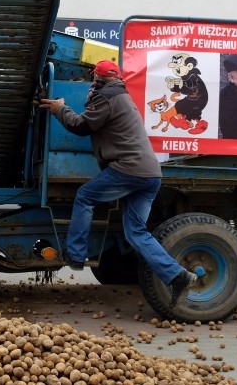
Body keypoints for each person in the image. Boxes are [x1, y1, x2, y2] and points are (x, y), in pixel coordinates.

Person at [40, 59, 198, 307]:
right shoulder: (121, 96)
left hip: (129, 169)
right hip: (150, 175)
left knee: (85, 196)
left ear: (99, 80)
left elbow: (81, 126)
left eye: (93, 80)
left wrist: (60, 108)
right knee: (136, 233)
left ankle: (76, 255)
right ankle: (177, 276)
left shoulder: (107, 97)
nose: (91, 84)